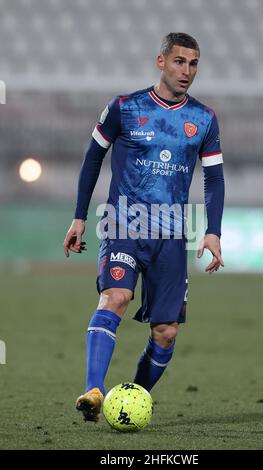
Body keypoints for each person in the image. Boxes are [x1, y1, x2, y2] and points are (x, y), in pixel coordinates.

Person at [63, 32, 225, 423]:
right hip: (124, 224)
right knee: (115, 297)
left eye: (194, 63)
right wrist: (80, 216)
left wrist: (213, 229)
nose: (187, 71)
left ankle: (130, 400)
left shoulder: (203, 119)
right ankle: (94, 390)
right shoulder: (125, 107)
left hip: (171, 235)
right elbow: (92, 159)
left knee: (166, 332)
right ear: (161, 62)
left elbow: (214, 178)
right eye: (179, 61)